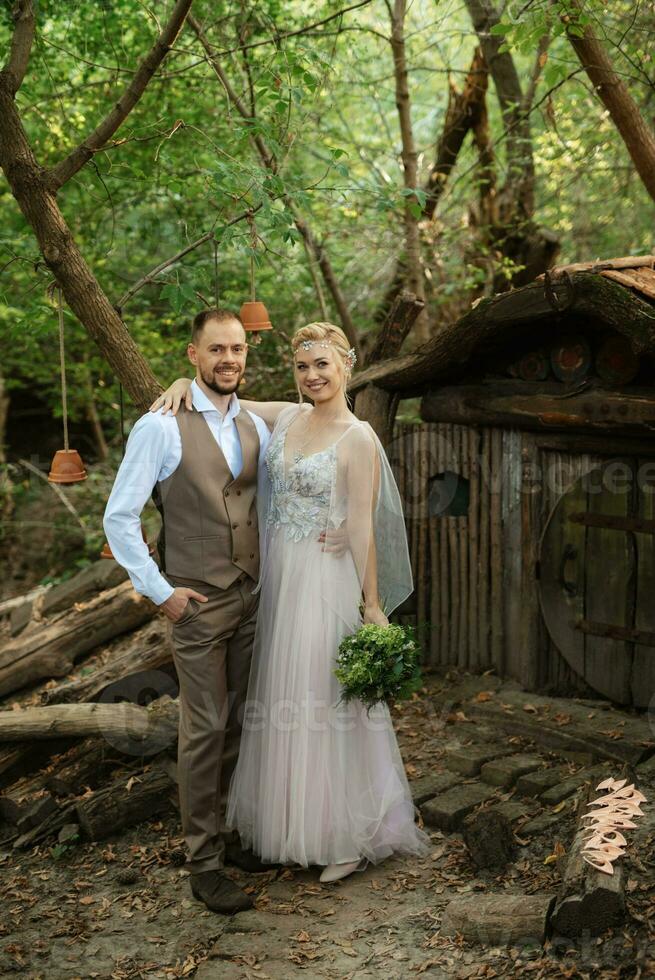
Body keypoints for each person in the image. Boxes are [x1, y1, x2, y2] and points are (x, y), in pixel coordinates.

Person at [154, 321, 430, 884]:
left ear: (345, 366)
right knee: (279, 697)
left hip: (326, 580)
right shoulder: (287, 416)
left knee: (324, 701)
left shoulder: (357, 437)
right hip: (275, 580)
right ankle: (288, 826)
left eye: (323, 365)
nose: (312, 376)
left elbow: (361, 525)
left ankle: (345, 836)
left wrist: (371, 603)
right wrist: (185, 380)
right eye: (303, 366)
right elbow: (224, 394)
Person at [103, 309, 290, 915]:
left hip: (250, 596)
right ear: (193, 355)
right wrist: (162, 593)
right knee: (205, 728)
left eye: (237, 348)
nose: (228, 358)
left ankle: (230, 835)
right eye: (216, 350)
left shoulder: (252, 418)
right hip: (197, 604)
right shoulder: (159, 427)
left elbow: (322, 409)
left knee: (238, 720)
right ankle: (203, 862)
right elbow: (118, 517)